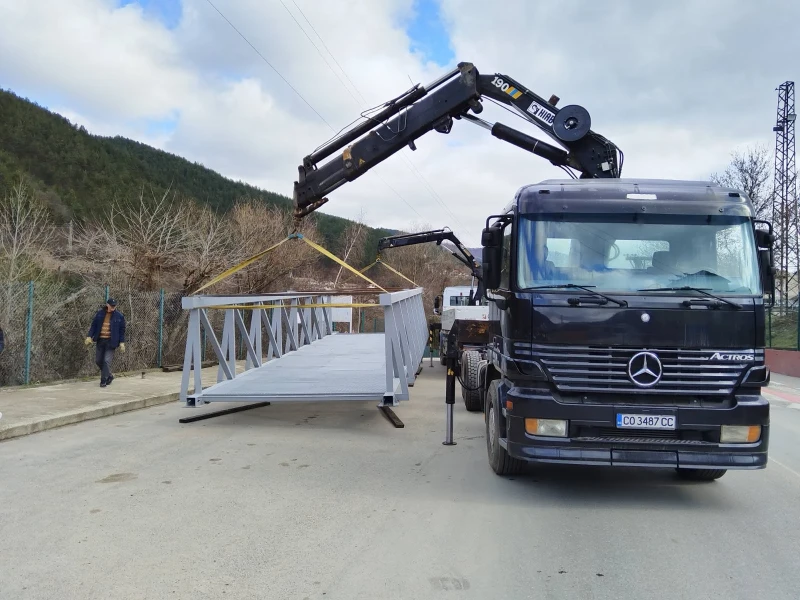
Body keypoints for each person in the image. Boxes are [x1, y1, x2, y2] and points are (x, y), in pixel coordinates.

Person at [85, 298, 126, 387]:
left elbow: (122, 330)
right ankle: (110, 375)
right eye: (111, 306)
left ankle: (103, 380)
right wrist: (89, 336)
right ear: (107, 305)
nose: (113, 307)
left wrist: (122, 342)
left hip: (111, 342)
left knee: (106, 361)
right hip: (100, 340)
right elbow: (94, 326)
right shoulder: (100, 314)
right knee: (98, 361)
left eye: (114, 306)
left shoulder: (119, 316)